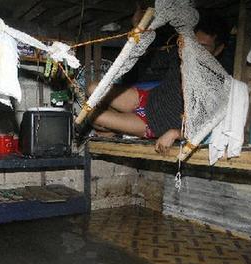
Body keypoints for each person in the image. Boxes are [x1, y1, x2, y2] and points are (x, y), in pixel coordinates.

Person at [86, 10, 230, 155]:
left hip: (153, 125)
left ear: (218, 50)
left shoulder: (216, 82)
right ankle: (117, 127)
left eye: (204, 47)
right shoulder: (182, 53)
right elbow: (149, 57)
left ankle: (118, 127)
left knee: (93, 117)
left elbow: (205, 127)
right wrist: (140, 32)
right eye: (195, 44)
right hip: (146, 99)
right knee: (93, 89)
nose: (196, 51)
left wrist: (174, 133)